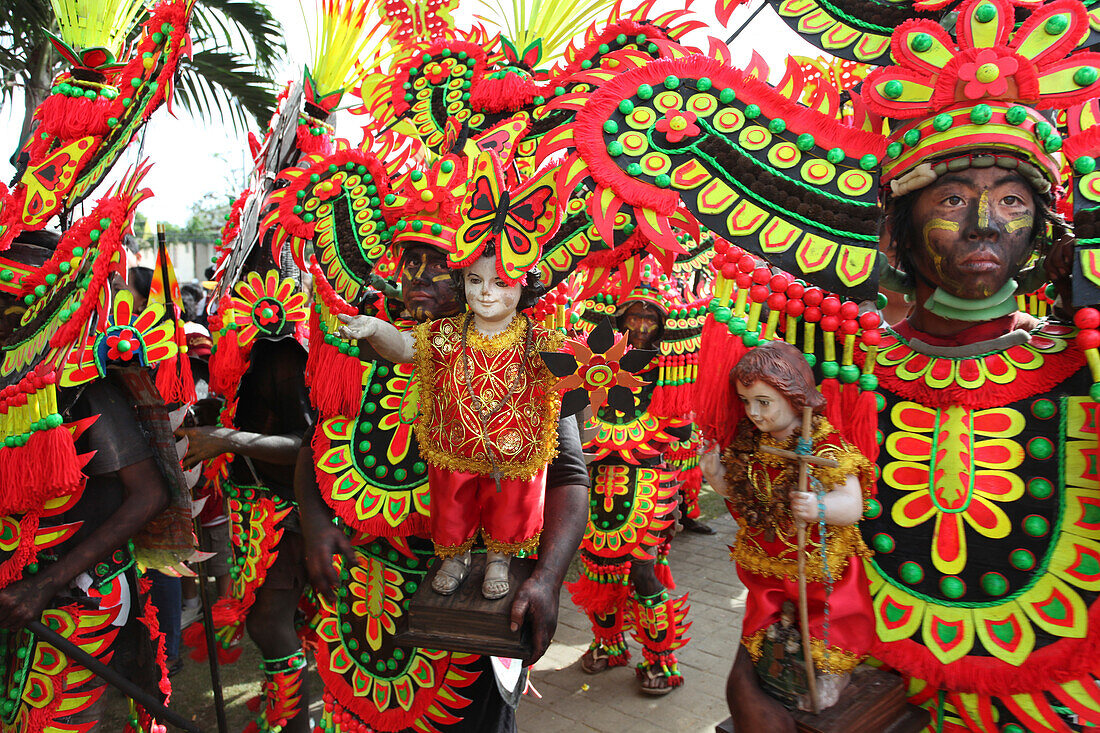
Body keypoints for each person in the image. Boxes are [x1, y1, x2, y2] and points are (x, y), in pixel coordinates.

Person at [297, 240, 589, 732]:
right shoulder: (363, 338)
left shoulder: (529, 345)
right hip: (363, 590)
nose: (418, 275)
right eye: (409, 261)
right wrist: (315, 524)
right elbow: (315, 441)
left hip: (473, 601)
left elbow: (568, 474)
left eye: (438, 264)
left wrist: (546, 579)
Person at [0, 240, 172, 729]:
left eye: (8, 302)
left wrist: (43, 586)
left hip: (74, 595)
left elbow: (149, 494)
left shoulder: (84, 384)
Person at [335, 250, 561, 599]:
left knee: (510, 508)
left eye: (501, 283)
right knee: (452, 508)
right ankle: (455, 558)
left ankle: (499, 560)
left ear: (524, 289)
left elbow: (577, 372)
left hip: (516, 452)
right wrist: (377, 329)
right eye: (474, 281)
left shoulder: (541, 342)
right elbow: (404, 348)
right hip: (452, 448)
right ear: (462, 283)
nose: (485, 292)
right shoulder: (445, 335)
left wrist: (595, 373)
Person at [176, 252, 313, 733]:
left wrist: (226, 439)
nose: (225, 280)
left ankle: (293, 724)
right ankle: (288, 716)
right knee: (279, 621)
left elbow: (309, 446)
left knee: (269, 623)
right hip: (257, 504)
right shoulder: (252, 344)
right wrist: (213, 417)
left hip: (292, 510)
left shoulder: (282, 348)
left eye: (237, 270)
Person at [703, 340, 874, 713]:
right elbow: (744, 493)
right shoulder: (752, 444)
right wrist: (717, 478)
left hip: (819, 562)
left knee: (826, 618)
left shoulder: (824, 445)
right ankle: (772, 660)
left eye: (764, 402)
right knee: (767, 614)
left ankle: (829, 671)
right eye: (746, 402)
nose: (753, 413)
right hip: (768, 558)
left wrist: (820, 506)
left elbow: (854, 504)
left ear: (794, 396)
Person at [569, 272, 693, 695]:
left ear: (663, 324)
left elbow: (678, 427)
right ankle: (609, 644)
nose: (640, 325)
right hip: (597, 475)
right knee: (598, 566)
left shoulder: (671, 366)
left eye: (649, 318)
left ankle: (661, 659)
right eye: (632, 316)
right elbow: (579, 413)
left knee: (643, 571)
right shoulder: (600, 359)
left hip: (647, 480)